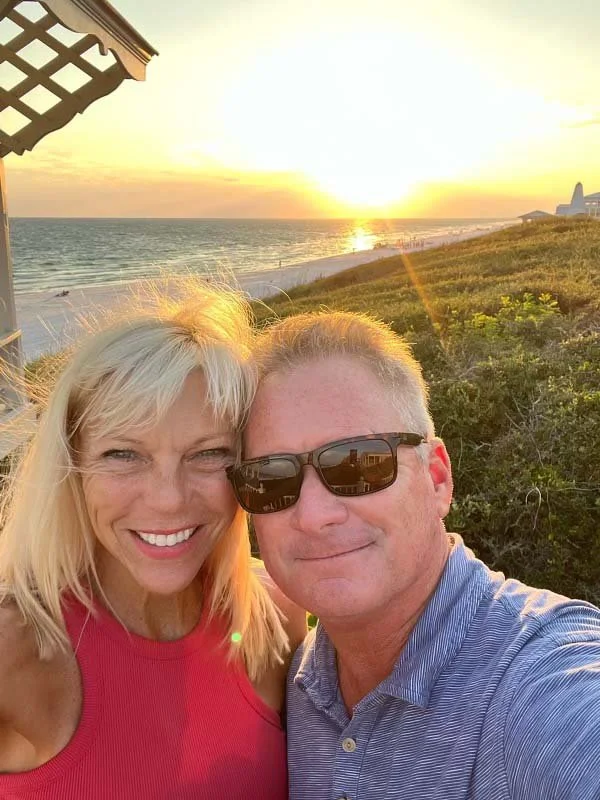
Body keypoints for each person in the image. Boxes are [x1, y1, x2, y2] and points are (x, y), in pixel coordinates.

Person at [227, 310, 600, 800]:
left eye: (360, 462)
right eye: (272, 479)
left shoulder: (541, 690)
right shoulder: (299, 686)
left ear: (437, 479)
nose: (314, 515)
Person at [0, 280, 304, 798]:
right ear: (72, 468)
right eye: (123, 455)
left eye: (207, 453)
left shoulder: (271, 622)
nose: (168, 499)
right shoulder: (16, 648)